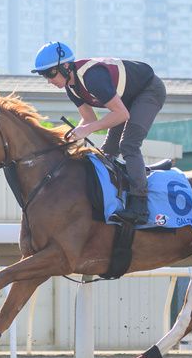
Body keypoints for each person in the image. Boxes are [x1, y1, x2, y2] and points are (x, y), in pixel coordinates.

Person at [31, 41, 167, 226]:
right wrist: (71, 138)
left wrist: (86, 130)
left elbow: (121, 114)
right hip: (125, 100)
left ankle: (140, 206)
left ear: (65, 66)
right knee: (108, 151)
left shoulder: (92, 77)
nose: (48, 80)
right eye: (44, 75)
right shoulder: (71, 88)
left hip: (149, 90)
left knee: (128, 145)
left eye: (50, 73)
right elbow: (88, 119)